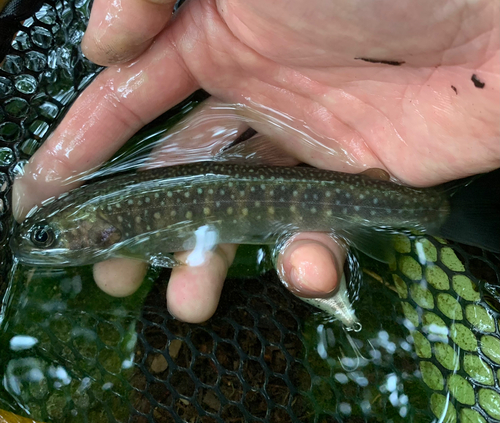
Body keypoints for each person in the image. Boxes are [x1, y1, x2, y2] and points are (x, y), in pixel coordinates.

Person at [13, 0, 499, 323]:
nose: (41, 245)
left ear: (101, 230)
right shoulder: (112, 212)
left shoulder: (115, 214)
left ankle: (442, 211)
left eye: (45, 238)